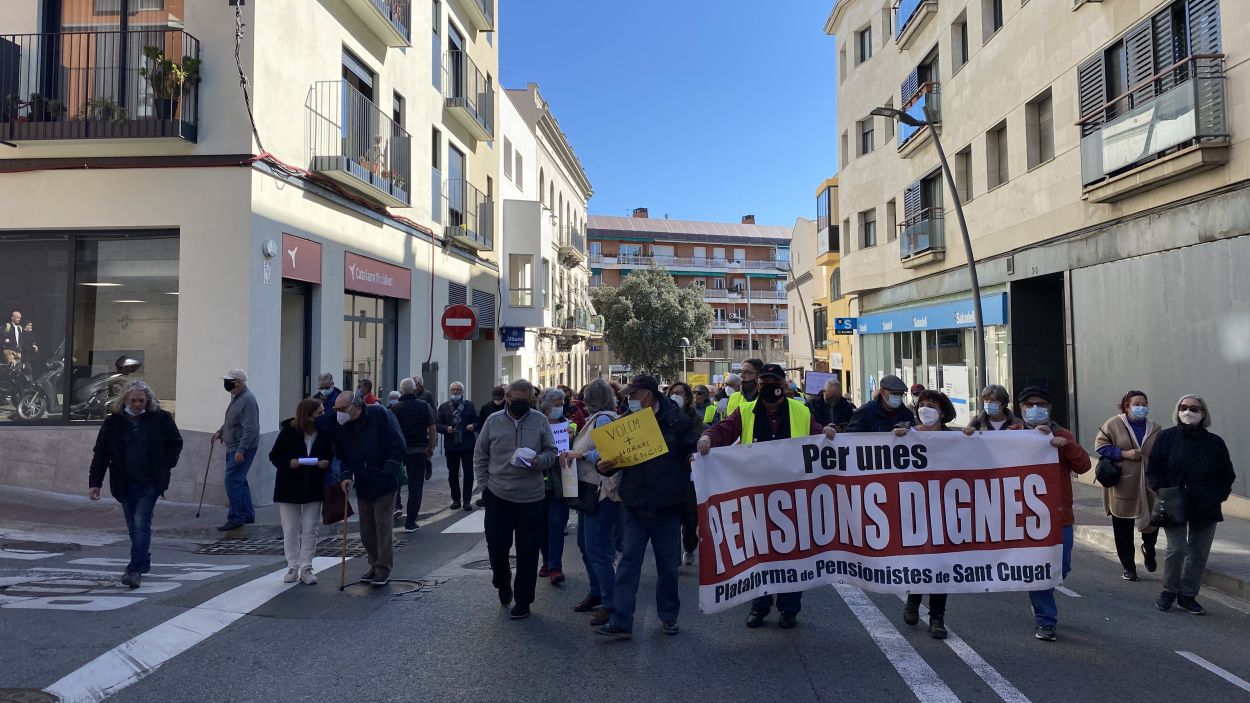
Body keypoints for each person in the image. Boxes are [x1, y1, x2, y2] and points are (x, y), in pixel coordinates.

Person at [698, 363, 837, 630]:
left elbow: (818, 436)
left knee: (792, 554)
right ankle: (759, 606)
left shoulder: (800, 411)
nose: (768, 387)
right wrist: (707, 438)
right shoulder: (746, 411)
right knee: (759, 554)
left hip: (793, 497)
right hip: (757, 497)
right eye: (763, 383)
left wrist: (827, 434)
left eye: (773, 382)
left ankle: (789, 608)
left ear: (783, 386)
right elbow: (725, 429)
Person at [593, 374, 701, 639]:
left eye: (633, 394)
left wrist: (693, 457)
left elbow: (692, 448)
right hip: (635, 505)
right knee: (628, 564)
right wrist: (604, 467)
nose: (629, 399)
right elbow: (613, 459)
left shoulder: (677, 421)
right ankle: (621, 621)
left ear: (648, 395)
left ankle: (668, 617)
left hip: (667, 506)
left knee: (668, 567)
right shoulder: (626, 423)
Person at [474, 380, 559, 620]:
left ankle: (523, 600)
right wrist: (484, 487)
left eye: (524, 400)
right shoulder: (493, 421)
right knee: (497, 548)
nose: (518, 404)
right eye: (514, 399)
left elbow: (552, 452)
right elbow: (480, 455)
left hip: (531, 498)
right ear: (507, 397)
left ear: (530, 399)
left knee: (528, 552)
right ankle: (502, 581)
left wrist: (539, 461)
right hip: (498, 495)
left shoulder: (539, 421)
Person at [88, 381, 183, 588]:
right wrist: (95, 482)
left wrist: (166, 463)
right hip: (124, 481)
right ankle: (143, 559)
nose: (138, 404)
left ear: (147, 400)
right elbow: (101, 453)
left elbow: (175, 442)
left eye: (141, 400)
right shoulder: (113, 422)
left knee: (141, 521)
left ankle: (134, 569)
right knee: (133, 525)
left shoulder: (160, 418)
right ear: (125, 400)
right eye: (134, 401)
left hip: (150, 481)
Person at [1147, 395, 1235, 616]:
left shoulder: (1214, 442)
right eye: (1183, 407)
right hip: (1173, 501)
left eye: (1194, 408)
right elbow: (1154, 468)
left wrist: (1218, 496)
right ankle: (1168, 591)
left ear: (1203, 413)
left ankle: (1188, 595)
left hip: (1205, 504)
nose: (1188, 412)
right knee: (1176, 549)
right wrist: (1161, 490)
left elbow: (1227, 474)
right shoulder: (1166, 437)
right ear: (1177, 411)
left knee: (1198, 552)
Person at [1016, 386, 1090, 642]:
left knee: (1060, 567)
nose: (1034, 409)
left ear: (1049, 408)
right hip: (1024, 516)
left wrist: (1067, 446)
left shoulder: (1062, 435)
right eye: (1029, 405)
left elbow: (1084, 466)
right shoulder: (1012, 434)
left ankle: (1041, 596)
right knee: (1039, 568)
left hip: (1059, 516)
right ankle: (1046, 620)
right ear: (1021, 408)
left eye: (1040, 404)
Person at [899, 390, 960, 639]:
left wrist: (972, 437)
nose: (925, 408)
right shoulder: (908, 434)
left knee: (941, 564)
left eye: (931, 405)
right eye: (922, 404)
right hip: (915, 508)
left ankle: (937, 618)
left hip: (945, 508)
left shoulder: (955, 439)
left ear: (942, 412)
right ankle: (914, 599)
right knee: (921, 560)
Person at [563, 380, 621, 625]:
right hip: (590, 492)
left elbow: (612, 453)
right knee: (587, 546)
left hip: (601, 493)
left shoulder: (603, 419)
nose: (583, 400)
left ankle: (611, 603)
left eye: (587, 396)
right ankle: (597, 591)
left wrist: (582, 454)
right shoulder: (596, 418)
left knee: (598, 550)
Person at [334, 391, 407, 586]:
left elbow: (398, 443)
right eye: (336, 409)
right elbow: (343, 454)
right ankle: (374, 564)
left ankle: (383, 567)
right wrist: (346, 475)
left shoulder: (380, 414)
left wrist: (388, 469)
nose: (338, 413)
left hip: (384, 481)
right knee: (366, 530)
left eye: (341, 408)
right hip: (363, 482)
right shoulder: (343, 426)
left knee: (382, 526)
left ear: (355, 406)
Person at [1094, 390, 1162, 581]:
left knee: (1152, 521)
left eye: (1144, 404)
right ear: (1127, 406)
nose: (1141, 408)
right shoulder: (1113, 424)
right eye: (1136, 404)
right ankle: (1128, 567)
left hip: (1148, 483)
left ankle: (1149, 548)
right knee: (1122, 526)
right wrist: (1124, 454)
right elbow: (1101, 446)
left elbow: (1162, 452)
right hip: (1123, 482)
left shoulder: (1155, 428)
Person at [268, 398, 333, 585]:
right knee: (290, 529)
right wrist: (289, 463)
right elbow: (274, 455)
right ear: (308, 414)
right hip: (289, 485)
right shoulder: (289, 431)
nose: (323, 415)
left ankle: (306, 567)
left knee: (310, 528)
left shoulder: (323, 432)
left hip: (313, 484)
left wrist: (325, 463)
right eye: (319, 412)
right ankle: (292, 566)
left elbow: (330, 454)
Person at [210, 369, 260, 532]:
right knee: (239, 480)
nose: (226, 384)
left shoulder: (247, 400)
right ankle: (247, 514)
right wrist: (220, 432)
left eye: (229, 381)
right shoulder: (237, 397)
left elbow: (251, 429)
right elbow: (232, 421)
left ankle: (236, 517)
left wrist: (241, 450)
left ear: (239, 382)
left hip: (241, 447)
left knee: (232, 481)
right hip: (234, 446)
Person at [538, 387, 576, 584]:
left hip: (560, 484)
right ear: (545, 407)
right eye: (556, 405)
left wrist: (572, 440)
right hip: (538, 485)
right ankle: (547, 561)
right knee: (542, 527)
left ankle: (555, 567)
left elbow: (578, 451)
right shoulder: (537, 425)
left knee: (556, 524)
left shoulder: (570, 426)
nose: (560, 408)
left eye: (561, 404)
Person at [391, 377, 438, 532]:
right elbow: (432, 428)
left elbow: (390, 430)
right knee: (416, 486)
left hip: (399, 451)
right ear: (414, 389)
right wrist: (431, 447)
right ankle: (410, 522)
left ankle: (395, 508)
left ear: (401, 390)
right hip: (418, 450)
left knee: (395, 483)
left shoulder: (395, 408)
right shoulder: (424, 406)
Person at [666, 380, 703, 566]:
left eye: (680, 393)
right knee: (671, 518)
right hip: (668, 473)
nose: (675, 396)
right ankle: (673, 558)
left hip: (688, 474)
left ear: (687, 397)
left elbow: (695, 440)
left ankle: (689, 546)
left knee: (690, 516)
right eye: (673, 392)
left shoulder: (694, 419)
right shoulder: (663, 416)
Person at [437, 381, 478, 511]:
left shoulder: (469, 405)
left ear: (462, 392)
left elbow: (477, 421)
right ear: (450, 391)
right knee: (453, 474)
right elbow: (437, 425)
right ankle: (455, 499)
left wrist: (473, 426)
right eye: (453, 390)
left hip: (467, 445)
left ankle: (467, 500)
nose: (455, 392)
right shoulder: (443, 407)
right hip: (451, 445)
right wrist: (446, 428)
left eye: (458, 390)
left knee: (468, 473)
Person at [846, 375, 915, 432]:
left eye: (901, 394)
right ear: (882, 392)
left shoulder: (906, 414)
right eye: (894, 393)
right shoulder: (865, 412)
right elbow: (851, 437)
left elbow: (914, 437)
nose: (898, 396)